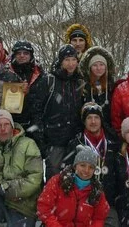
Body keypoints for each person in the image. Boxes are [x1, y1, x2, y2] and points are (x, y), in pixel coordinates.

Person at [0, 109, 44, 227]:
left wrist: (7, 188)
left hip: (22, 206)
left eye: (6, 124)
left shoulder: (28, 144)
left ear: (12, 126)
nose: (3, 128)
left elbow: (34, 179)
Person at [31, 44, 85, 179]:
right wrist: (42, 138)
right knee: (54, 180)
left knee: (74, 179)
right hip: (54, 141)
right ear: (60, 61)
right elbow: (36, 110)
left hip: (75, 140)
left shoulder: (80, 82)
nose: (71, 63)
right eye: (67, 60)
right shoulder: (49, 80)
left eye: (73, 59)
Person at [63, 102, 119, 227]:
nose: (93, 121)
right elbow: (68, 173)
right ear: (84, 121)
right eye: (89, 118)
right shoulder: (75, 144)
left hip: (109, 201)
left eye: (96, 117)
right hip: (83, 202)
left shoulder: (113, 142)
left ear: (101, 120)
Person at [37, 145, 110, 226]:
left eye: (91, 167)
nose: (86, 170)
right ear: (75, 166)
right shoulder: (57, 181)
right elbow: (44, 208)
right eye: (83, 165)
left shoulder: (97, 191)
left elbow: (99, 218)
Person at [8, 40, 45, 138]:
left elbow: (43, 99)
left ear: (31, 55)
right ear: (14, 55)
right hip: (12, 121)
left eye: (26, 53)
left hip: (35, 121)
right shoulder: (6, 73)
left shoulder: (40, 74)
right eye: (19, 53)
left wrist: (29, 94)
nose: (22, 56)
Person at [79, 46, 118, 134]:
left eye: (101, 65)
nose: (99, 68)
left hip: (108, 130)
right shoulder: (83, 87)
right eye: (95, 65)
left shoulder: (112, 86)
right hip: (89, 129)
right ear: (90, 68)